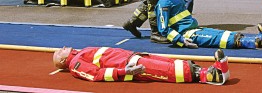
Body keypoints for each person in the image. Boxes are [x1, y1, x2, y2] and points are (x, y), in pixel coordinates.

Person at [154, 0, 262, 50]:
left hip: (194, 29)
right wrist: (181, 40)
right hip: (187, 35)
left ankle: (257, 39)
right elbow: (163, 29)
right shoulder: (163, 4)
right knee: (218, 39)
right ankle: (254, 43)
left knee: (222, 34)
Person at [53, 46, 229, 85]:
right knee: (167, 70)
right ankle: (210, 76)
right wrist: (124, 71)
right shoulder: (76, 63)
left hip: (132, 57)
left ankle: (208, 71)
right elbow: (97, 74)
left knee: (170, 63)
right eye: (60, 51)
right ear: (62, 61)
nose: (63, 48)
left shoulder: (80, 53)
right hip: (130, 64)